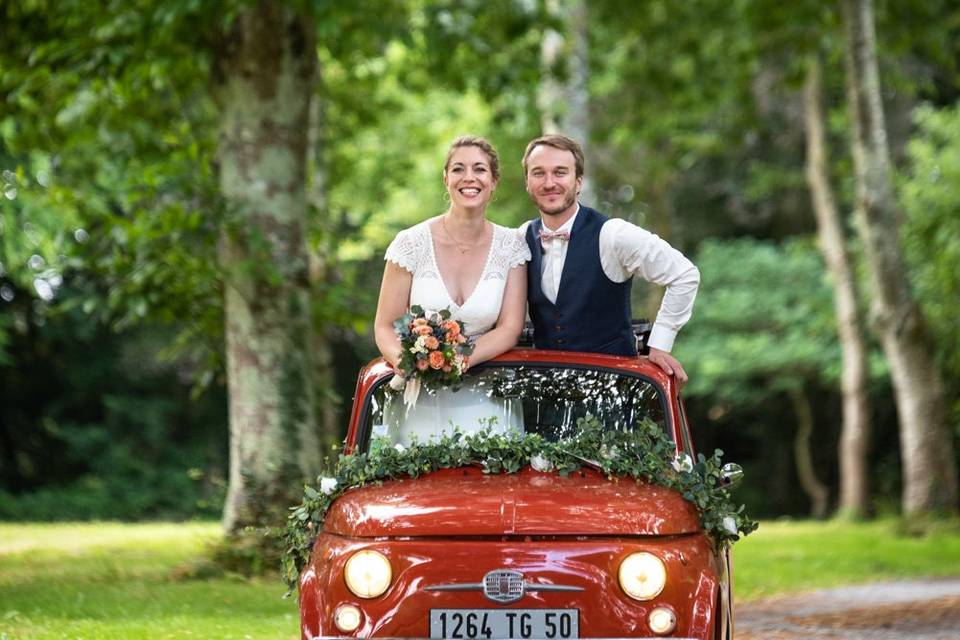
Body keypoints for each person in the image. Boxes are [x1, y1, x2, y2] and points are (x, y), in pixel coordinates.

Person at [374, 136, 530, 440]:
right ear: (446, 179)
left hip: (488, 401)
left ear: (494, 181)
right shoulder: (410, 243)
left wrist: (461, 359)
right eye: (458, 169)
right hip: (418, 402)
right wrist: (407, 361)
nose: (469, 177)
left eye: (480, 170)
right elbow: (385, 326)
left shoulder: (512, 246)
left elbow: (510, 328)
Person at [521, 134, 700, 385]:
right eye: (539, 173)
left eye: (560, 172)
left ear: (579, 182)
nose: (549, 182)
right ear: (527, 182)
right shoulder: (521, 238)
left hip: (613, 392)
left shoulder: (613, 234)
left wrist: (659, 344)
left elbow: (684, 274)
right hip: (548, 394)